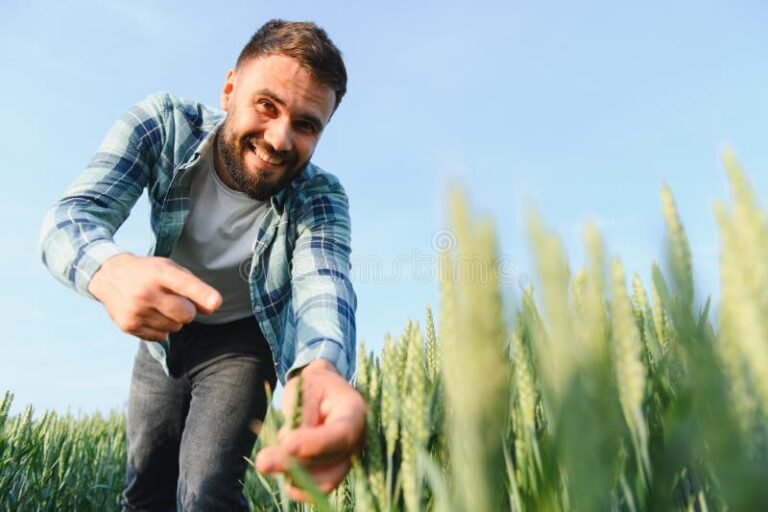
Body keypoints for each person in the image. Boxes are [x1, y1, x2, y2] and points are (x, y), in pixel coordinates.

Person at [38, 19, 366, 511]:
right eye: (266, 105)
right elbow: (71, 218)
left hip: (242, 342)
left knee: (206, 489)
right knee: (145, 490)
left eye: (305, 125)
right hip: (162, 338)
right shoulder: (162, 124)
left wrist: (320, 369)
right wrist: (109, 271)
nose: (279, 139)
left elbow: (324, 282)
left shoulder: (318, 196)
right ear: (230, 88)